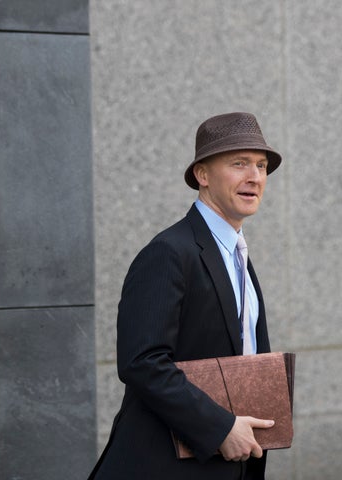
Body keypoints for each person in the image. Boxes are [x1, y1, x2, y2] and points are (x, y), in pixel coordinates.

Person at [89, 112, 283, 480]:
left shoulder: (238, 255)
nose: (255, 177)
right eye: (238, 163)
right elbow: (141, 362)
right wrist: (220, 428)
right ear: (203, 175)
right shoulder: (168, 253)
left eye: (260, 166)